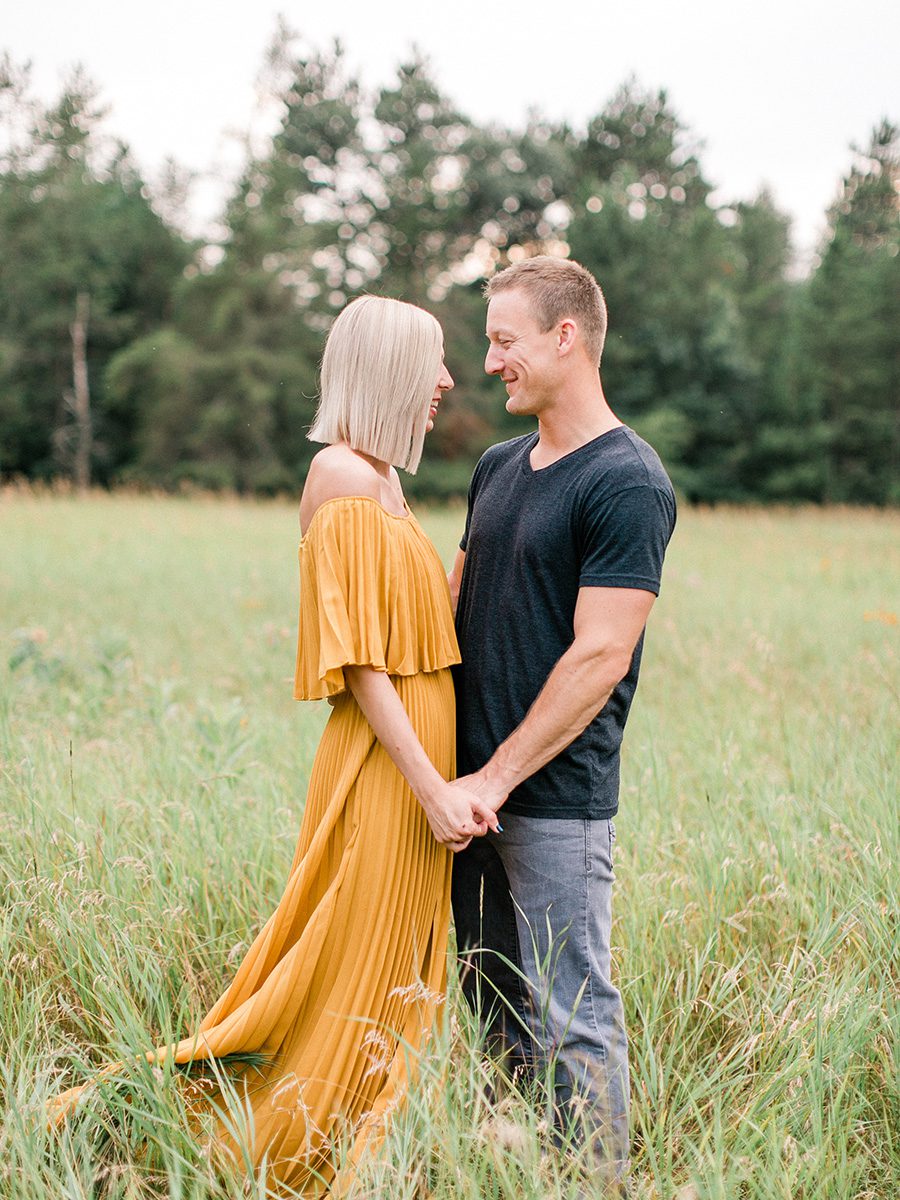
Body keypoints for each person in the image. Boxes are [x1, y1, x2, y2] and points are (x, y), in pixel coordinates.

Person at [48, 295, 497, 1197]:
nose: (449, 380)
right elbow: (365, 666)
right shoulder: (340, 475)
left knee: (396, 964)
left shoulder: (385, 481)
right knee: (344, 957)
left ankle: (375, 1143)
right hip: (390, 766)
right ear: (387, 370)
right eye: (436, 362)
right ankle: (250, 1144)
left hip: (421, 753)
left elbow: (414, 628)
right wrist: (433, 791)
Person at [448, 256, 676, 1185]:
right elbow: (454, 600)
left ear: (564, 337)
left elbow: (599, 655)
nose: (492, 360)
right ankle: (527, 1170)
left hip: (551, 802)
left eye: (504, 340)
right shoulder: (498, 465)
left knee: (572, 1007)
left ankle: (597, 1183)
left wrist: (496, 778)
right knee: (493, 997)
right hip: (461, 798)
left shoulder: (627, 481)